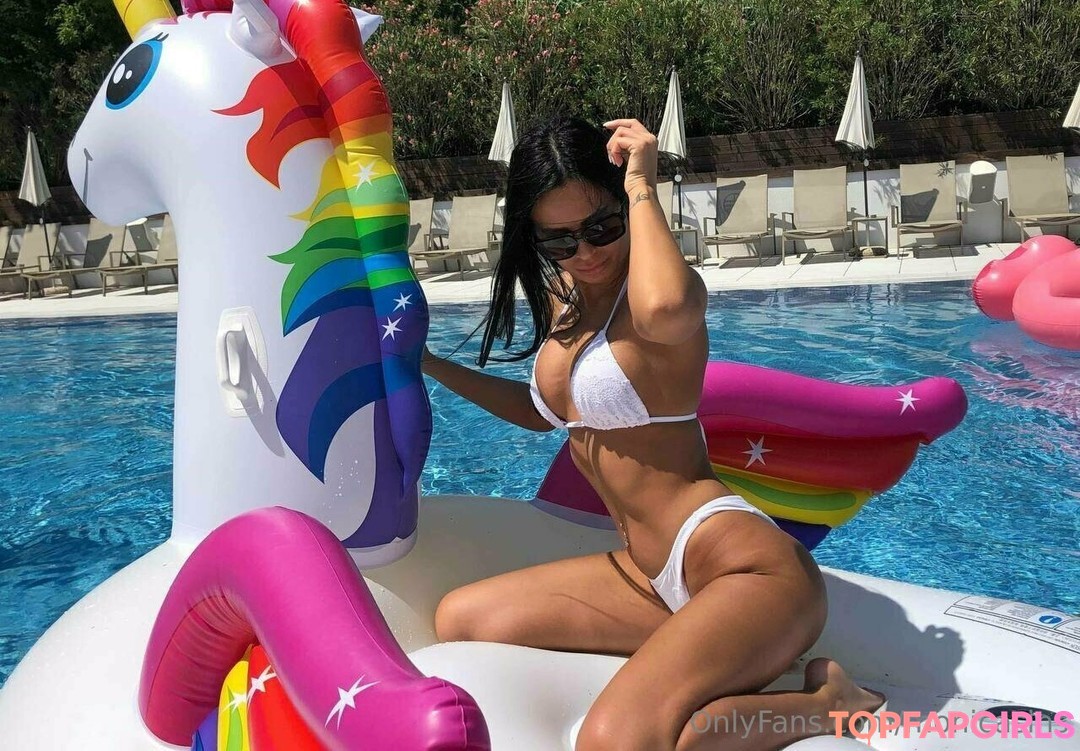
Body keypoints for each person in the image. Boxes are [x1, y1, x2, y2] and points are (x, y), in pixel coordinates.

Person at [420, 116, 884, 751]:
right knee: (461, 617)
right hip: (650, 577)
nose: (585, 252)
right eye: (559, 239)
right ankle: (705, 650)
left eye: (601, 227)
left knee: (618, 742)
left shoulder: (655, 298)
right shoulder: (569, 302)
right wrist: (427, 363)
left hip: (748, 572)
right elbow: (540, 412)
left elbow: (668, 309)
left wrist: (641, 183)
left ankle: (827, 703)